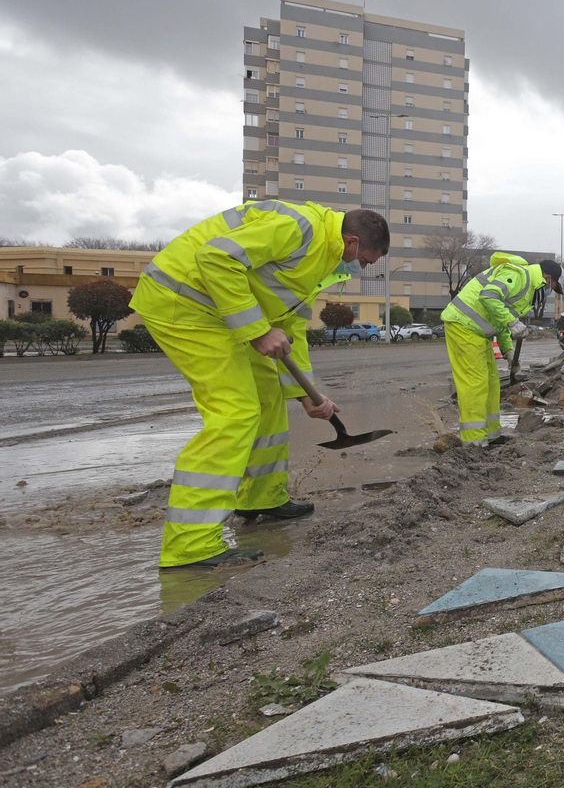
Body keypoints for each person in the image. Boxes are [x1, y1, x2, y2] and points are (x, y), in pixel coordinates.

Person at [131, 201, 389, 569]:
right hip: (184, 301)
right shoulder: (300, 229)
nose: (361, 268)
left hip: (223, 310)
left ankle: (261, 498)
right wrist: (256, 329)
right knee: (236, 413)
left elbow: (290, 327)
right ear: (350, 243)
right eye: (365, 260)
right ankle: (190, 545)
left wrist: (306, 394)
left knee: (269, 397)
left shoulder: (322, 261)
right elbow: (217, 257)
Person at [441, 256, 561, 446]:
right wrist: (513, 322)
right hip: (462, 325)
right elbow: (489, 296)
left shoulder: (527, 291)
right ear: (547, 278)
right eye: (551, 287)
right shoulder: (519, 276)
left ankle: (491, 436)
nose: (549, 292)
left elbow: (500, 321)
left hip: (479, 332)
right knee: (475, 384)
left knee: (492, 383)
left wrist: (509, 353)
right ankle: (474, 444)